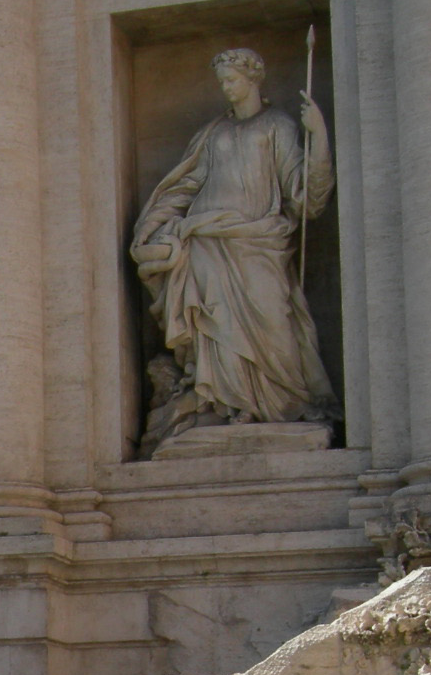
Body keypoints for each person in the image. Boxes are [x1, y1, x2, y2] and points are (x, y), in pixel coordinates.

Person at [130, 47, 337, 449]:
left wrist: (319, 135)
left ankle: (281, 404)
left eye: (232, 80)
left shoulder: (277, 126)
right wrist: (152, 224)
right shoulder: (214, 134)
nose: (226, 88)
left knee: (274, 320)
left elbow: (305, 193)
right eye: (222, 81)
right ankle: (227, 404)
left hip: (259, 240)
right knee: (217, 324)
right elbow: (186, 185)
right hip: (207, 240)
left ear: (252, 80)